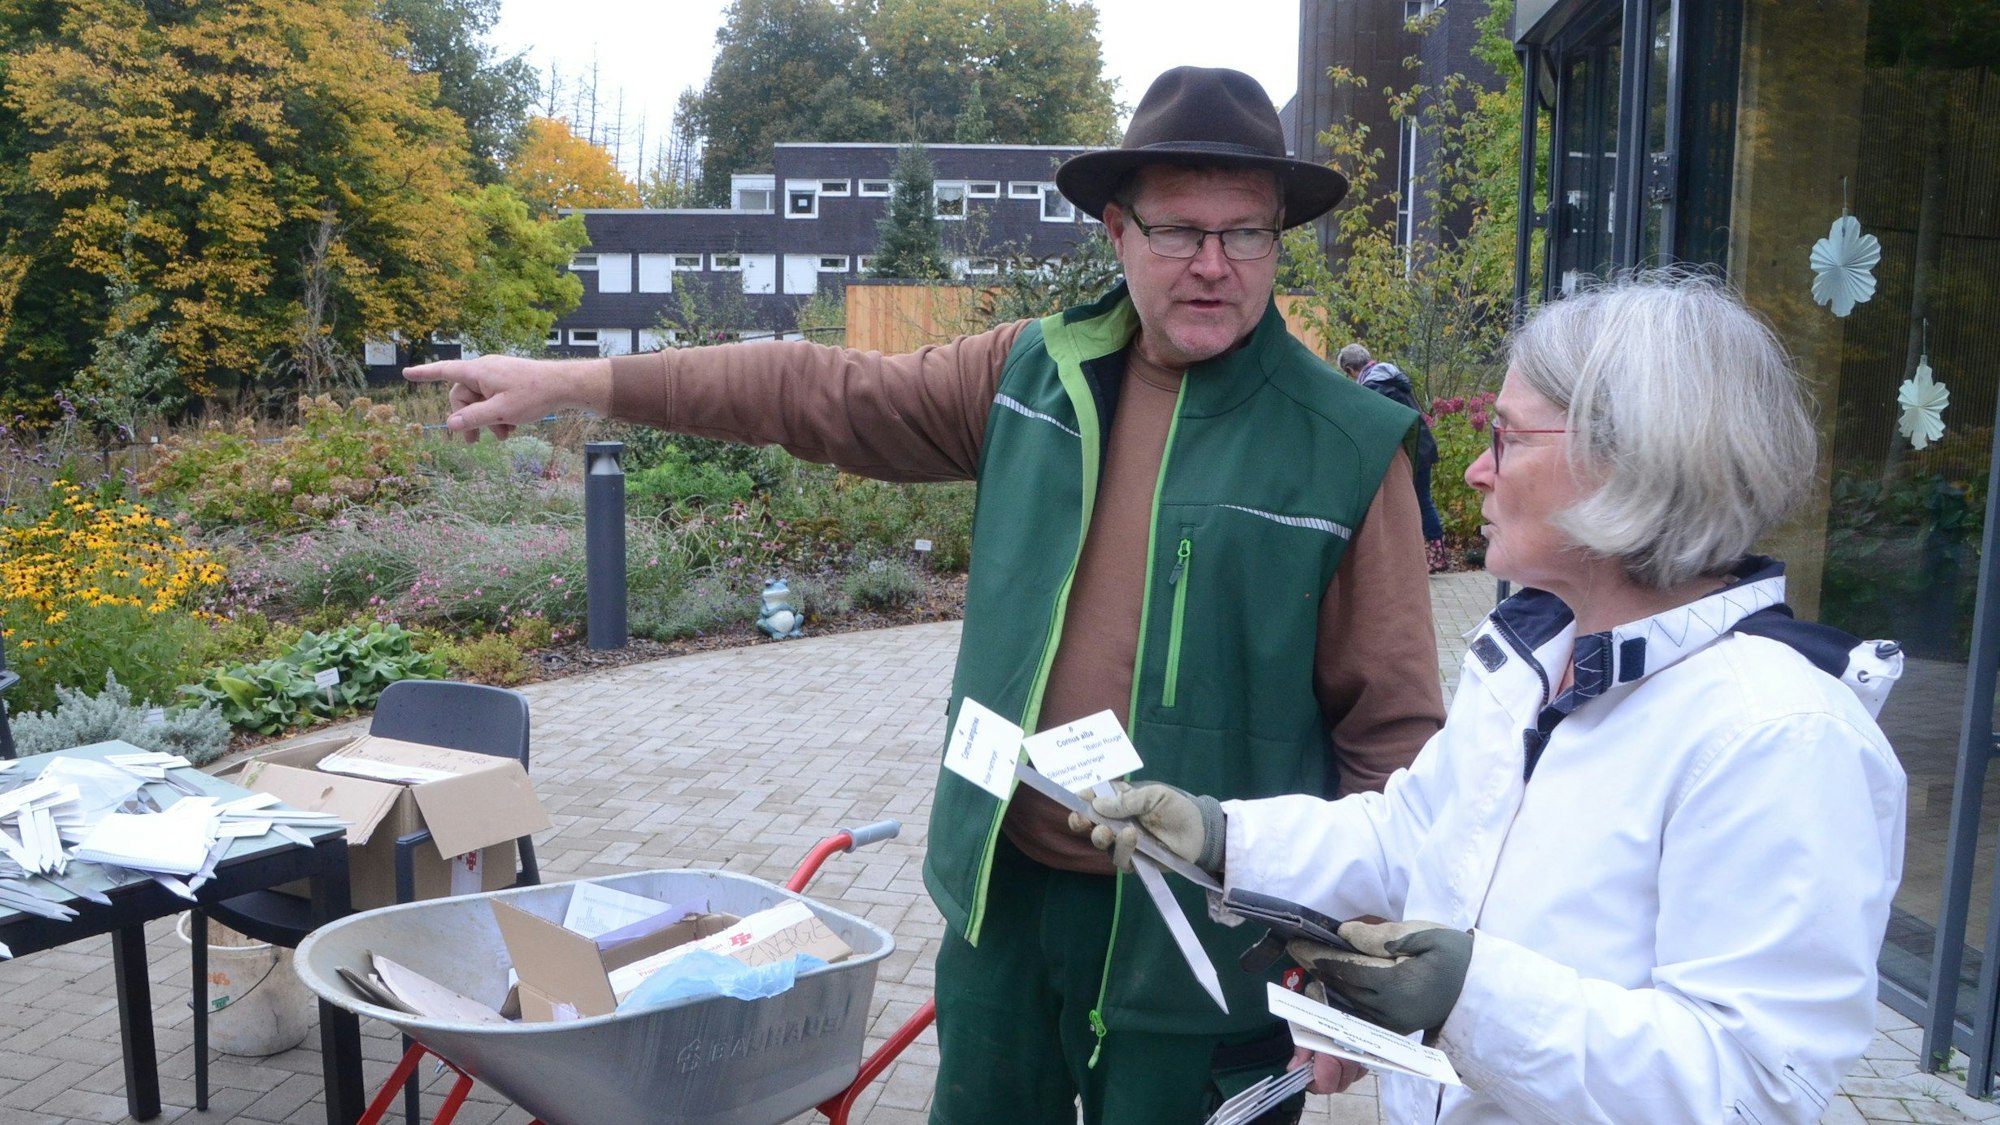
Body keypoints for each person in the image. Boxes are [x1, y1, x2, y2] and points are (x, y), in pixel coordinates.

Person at [406, 65, 1445, 1125]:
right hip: (1005, 905)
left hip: (1209, 949)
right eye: (1179, 230)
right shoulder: (1029, 375)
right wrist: (579, 383)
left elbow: (1394, 734)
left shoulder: (1345, 447)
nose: (1213, 265)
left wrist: (1347, 961)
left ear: (1278, 239)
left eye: (1246, 234)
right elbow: (815, 390)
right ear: (1116, 231)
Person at [1080, 274, 1908, 1123]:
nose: (1477, 470)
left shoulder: (1779, 736)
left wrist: (1467, 998)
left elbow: (1755, 1088)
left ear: (1628, 462)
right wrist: (1226, 836)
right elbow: (1414, 834)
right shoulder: (1530, 659)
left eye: (1505, 438)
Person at [1338, 343, 1446, 572]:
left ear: (1350, 369)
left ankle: (1430, 556)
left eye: (1347, 374)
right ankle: (1433, 554)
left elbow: (1374, 427)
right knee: (1421, 500)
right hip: (1421, 446)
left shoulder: (1374, 387)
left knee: (1413, 502)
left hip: (1409, 452)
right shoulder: (1390, 377)